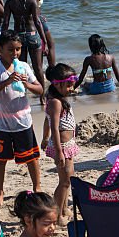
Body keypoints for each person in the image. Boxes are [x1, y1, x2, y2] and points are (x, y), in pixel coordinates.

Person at [0, 31, 44, 207]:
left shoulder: (23, 66)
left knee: (31, 158)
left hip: (23, 120)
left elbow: (40, 89)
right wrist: (6, 82)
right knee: (0, 159)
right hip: (1, 123)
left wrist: (27, 84)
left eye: (18, 49)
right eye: (11, 49)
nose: (15, 53)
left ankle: (37, 187)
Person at [43, 63, 80, 222]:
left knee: (68, 179)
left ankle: (64, 208)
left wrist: (44, 138)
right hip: (62, 147)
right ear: (57, 84)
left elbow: (46, 120)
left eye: (72, 85)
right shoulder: (55, 102)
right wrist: (58, 151)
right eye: (69, 86)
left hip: (68, 145)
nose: (72, 89)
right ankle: (57, 214)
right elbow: (54, 127)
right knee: (64, 181)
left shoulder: (59, 99)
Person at [2, 0, 47, 85]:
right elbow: (37, 21)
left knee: (21, 68)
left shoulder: (10, 2)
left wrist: (2, 40)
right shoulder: (32, 1)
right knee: (38, 68)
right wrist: (44, 40)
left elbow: (6, 23)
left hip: (18, 37)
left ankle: (23, 93)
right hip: (32, 34)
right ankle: (42, 95)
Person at [25, 0, 56, 69]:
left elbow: (32, 8)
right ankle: (52, 68)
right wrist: (39, 16)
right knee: (50, 44)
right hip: (38, 20)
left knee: (41, 46)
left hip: (33, 19)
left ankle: (42, 68)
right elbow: (35, 7)